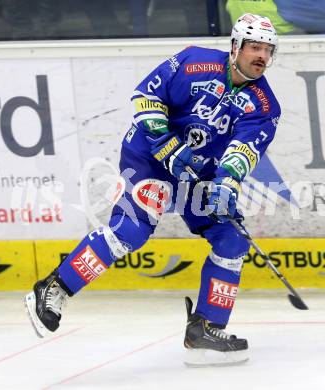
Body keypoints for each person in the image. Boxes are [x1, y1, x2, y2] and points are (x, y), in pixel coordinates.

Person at [25, 13, 281, 366]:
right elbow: (146, 97)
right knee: (131, 231)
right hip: (149, 159)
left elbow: (244, 150)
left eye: (268, 50)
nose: (261, 57)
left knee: (232, 239)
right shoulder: (193, 62)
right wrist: (166, 147)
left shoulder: (265, 106)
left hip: (197, 175)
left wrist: (226, 183)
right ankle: (54, 288)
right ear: (235, 46)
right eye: (254, 47)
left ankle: (205, 328)